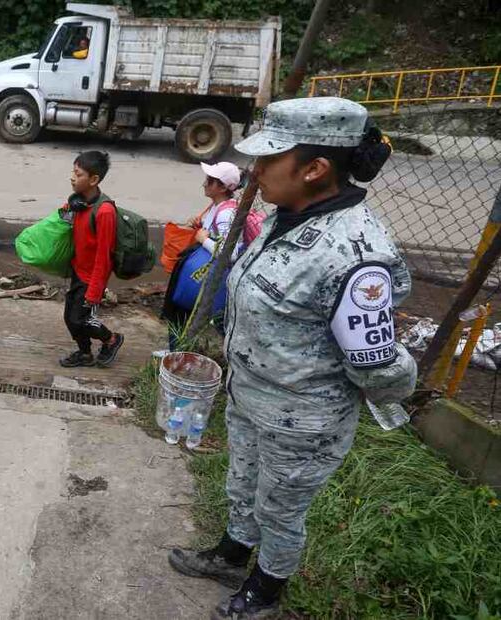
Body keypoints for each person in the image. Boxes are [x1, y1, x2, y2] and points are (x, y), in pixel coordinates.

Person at [168, 97, 416, 619]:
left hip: (303, 419)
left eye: (268, 160)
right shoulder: (286, 216)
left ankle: (266, 588)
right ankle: (234, 553)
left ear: (315, 169)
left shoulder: (353, 253)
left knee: (280, 507)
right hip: (252, 395)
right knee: (242, 482)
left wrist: (401, 393)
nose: (255, 172)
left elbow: (376, 364)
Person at [58, 151, 124, 368]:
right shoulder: (80, 203)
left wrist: (95, 292)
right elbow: (63, 220)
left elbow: (104, 256)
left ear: (93, 180)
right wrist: (69, 205)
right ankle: (84, 353)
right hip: (79, 270)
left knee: (82, 319)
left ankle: (111, 339)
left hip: (92, 277)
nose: (72, 178)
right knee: (70, 317)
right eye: (72, 172)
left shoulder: (104, 212)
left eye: (78, 174)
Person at [160, 161, 243, 327]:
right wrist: (201, 226)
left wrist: (203, 240)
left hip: (205, 278)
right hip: (201, 273)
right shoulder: (217, 205)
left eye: (210, 181)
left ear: (223, 188)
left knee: (184, 318)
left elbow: (231, 254)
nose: (204, 184)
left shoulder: (226, 214)